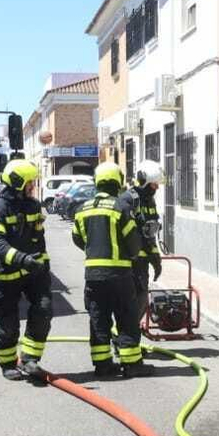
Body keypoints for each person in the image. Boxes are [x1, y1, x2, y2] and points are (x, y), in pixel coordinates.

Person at [72, 161, 144, 377]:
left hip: (93, 276)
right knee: (126, 317)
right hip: (119, 274)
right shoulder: (122, 208)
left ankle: (103, 365)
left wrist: (94, 248)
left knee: (98, 319)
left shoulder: (82, 209)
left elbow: (77, 238)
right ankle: (131, 364)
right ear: (116, 182)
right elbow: (134, 244)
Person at [0, 158, 52, 382]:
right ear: (17, 183)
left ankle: (30, 358)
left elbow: (38, 239)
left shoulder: (33, 206)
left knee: (43, 309)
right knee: (8, 322)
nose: (32, 186)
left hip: (34, 272)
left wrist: (42, 266)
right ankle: (7, 364)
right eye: (30, 183)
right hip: (7, 275)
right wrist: (23, 260)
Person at [123, 158, 166, 320]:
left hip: (142, 262)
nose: (156, 188)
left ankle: (127, 336)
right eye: (154, 184)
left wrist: (155, 256)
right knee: (129, 302)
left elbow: (150, 230)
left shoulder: (150, 200)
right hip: (128, 262)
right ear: (143, 181)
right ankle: (124, 336)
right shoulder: (128, 199)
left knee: (141, 300)